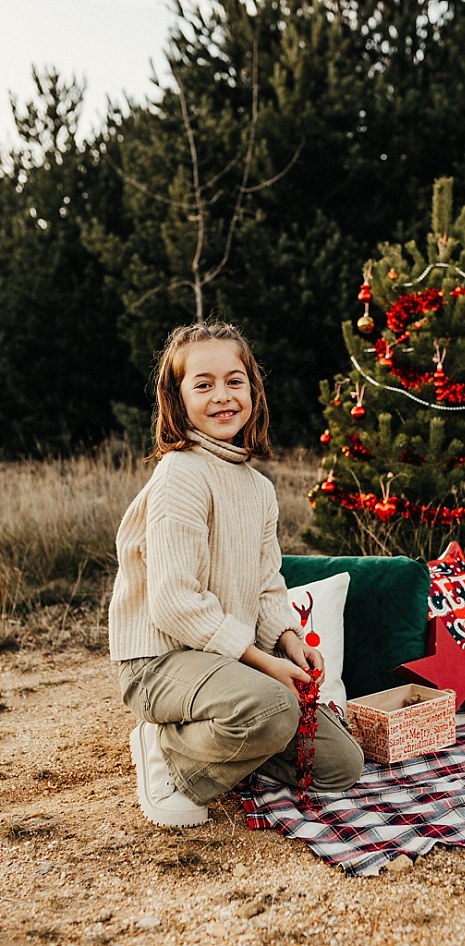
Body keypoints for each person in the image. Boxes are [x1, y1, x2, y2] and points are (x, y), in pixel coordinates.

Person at [108, 322, 363, 828]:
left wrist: (289, 640)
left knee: (341, 765)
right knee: (272, 706)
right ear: (177, 401)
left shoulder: (258, 488)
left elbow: (268, 586)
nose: (222, 396)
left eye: (234, 381)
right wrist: (261, 665)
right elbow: (175, 602)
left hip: (221, 663)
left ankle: (235, 739)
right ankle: (171, 754)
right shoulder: (180, 474)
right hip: (159, 662)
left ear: (253, 390)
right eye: (203, 385)